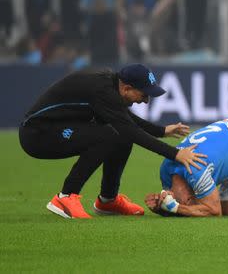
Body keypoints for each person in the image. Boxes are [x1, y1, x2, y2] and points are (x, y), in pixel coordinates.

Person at [19, 63, 207, 219]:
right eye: (144, 95)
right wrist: (176, 154)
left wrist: (161, 131)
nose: (146, 101)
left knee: (119, 135)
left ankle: (107, 201)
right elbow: (131, 130)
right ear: (127, 88)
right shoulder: (102, 90)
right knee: (109, 135)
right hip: (38, 134)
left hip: (53, 127)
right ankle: (66, 196)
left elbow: (123, 118)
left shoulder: (111, 85)